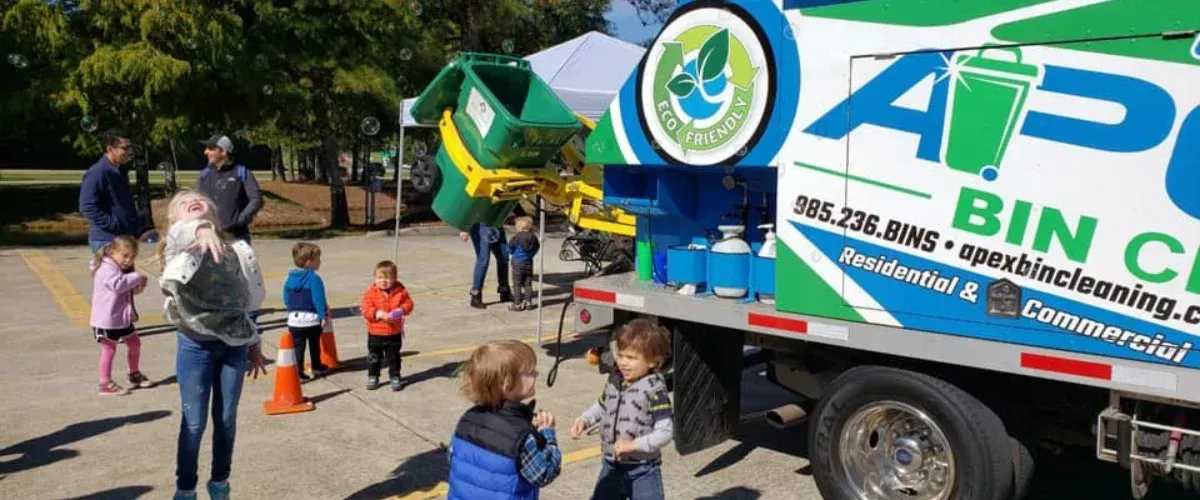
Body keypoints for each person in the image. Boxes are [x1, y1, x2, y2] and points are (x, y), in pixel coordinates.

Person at [158, 190, 266, 500]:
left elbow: (245, 303)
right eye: (182, 202)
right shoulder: (180, 244)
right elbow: (182, 232)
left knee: (226, 418)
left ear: (216, 214)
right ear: (173, 219)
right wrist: (200, 229)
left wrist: (253, 342)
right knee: (194, 423)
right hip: (196, 347)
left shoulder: (237, 249)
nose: (191, 200)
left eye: (200, 199)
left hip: (233, 345)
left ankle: (220, 483)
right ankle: (186, 488)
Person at [570, 319, 673, 500]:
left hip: (643, 471)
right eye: (621, 355)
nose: (623, 363)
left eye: (631, 358)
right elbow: (602, 406)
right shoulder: (615, 381)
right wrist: (584, 419)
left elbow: (665, 432)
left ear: (652, 361)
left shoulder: (654, 391)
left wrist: (634, 445)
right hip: (611, 467)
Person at [448, 340, 562, 499]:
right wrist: (547, 435)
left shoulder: (467, 419)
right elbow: (544, 473)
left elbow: (454, 458)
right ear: (506, 382)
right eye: (529, 372)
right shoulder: (521, 435)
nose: (536, 374)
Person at [89, 235, 153, 396]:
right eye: (124, 255)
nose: (128, 260)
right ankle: (105, 383)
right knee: (109, 349)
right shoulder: (106, 268)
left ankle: (134, 374)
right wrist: (136, 276)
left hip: (121, 318)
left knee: (134, 343)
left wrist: (139, 286)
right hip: (106, 319)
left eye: (131, 257)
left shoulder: (118, 269)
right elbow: (118, 285)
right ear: (112, 251)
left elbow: (126, 290)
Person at [79, 129, 140, 253]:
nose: (130, 152)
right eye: (125, 148)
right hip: (106, 240)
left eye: (130, 147)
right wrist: (114, 224)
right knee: (111, 273)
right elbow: (87, 206)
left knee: (124, 273)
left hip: (122, 238)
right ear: (110, 149)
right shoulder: (98, 172)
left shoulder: (120, 171)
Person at [196, 134, 263, 244]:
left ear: (223, 151)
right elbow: (198, 203)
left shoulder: (242, 172)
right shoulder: (204, 175)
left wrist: (239, 220)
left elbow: (256, 199)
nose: (206, 152)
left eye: (211, 148)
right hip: (211, 238)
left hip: (238, 237)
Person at [360, 261, 414, 391]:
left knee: (394, 357)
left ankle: (395, 376)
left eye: (387, 278)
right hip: (375, 333)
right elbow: (365, 309)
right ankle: (373, 375)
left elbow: (409, 304)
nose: (383, 281)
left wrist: (401, 310)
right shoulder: (370, 293)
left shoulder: (401, 291)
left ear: (395, 278)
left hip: (393, 333)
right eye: (379, 278)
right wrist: (377, 313)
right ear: (374, 278)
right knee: (374, 357)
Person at [282, 242, 329, 381]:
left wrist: (290, 309)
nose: (320, 262)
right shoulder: (314, 278)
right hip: (311, 319)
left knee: (298, 347)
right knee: (314, 344)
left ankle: (299, 372)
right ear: (309, 262)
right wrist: (323, 315)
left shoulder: (290, 278)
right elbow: (318, 299)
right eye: (318, 260)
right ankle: (316, 365)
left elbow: (286, 297)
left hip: (294, 320)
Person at [460, 222, 512, 309]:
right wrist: (464, 227)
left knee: (504, 257)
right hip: (481, 225)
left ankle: (504, 291)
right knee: (483, 260)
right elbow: (469, 208)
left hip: (496, 222)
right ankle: (476, 295)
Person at [507, 217, 540, 312]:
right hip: (529, 261)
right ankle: (528, 302)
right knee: (528, 283)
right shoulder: (534, 237)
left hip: (517, 262)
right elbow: (537, 247)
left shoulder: (517, 237)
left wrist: (510, 253)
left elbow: (510, 248)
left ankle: (517, 304)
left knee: (517, 284)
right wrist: (531, 255)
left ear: (520, 228)